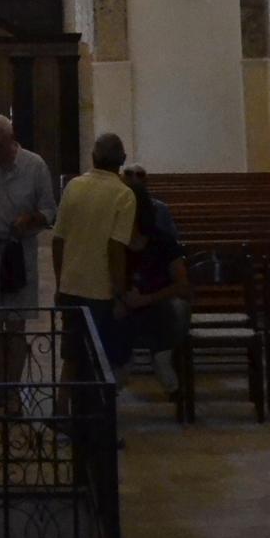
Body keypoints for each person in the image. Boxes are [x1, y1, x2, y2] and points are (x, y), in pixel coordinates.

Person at [0, 114, 54, 394]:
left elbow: (50, 211)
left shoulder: (34, 165)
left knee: (16, 324)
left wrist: (30, 219)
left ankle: (13, 387)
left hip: (19, 252)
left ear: (11, 139)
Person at [51, 130, 137, 374]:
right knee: (98, 359)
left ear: (92, 157)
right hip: (101, 289)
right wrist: (119, 294)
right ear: (123, 159)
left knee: (72, 355)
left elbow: (58, 240)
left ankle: (64, 407)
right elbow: (116, 248)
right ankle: (94, 410)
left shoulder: (74, 187)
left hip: (71, 283)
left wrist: (60, 283)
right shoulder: (124, 194)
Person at [111, 177, 191, 408]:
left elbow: (182, 285)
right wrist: (121, 299)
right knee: (115, 316)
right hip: (127, 307)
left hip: (159, 304)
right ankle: (123, 365)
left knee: (171, 309)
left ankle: (159, 357)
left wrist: (145, 298)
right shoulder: (115, 243)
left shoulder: (162, 241)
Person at [123, 163, 178, 246]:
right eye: (129, 174)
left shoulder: (161, 208)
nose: (134, 178)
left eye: (139, 175)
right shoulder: (160, 207)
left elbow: (172, 236)